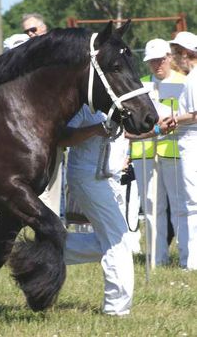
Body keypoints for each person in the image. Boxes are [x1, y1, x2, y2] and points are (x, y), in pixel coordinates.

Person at [61, 104, 135, 315]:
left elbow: (124, 133)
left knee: (109, 240)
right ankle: (116, 310)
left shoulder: (116, 104)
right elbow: (63, 138)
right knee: (118, 239)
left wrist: (158, 130)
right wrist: (95, 129)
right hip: (87, 178)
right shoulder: (84, 107)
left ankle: (48, 250)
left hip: (106, 179)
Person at [126, 38, 187, 266]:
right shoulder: (139, 85)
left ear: (169, 57)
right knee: (152, 208)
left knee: (180, 208)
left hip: (175, 152)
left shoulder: (185, 81)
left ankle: (186, 258)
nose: (157, 65)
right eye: (152, 61)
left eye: (160, 59)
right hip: (145, 153)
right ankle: (156, 259)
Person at [22, 13, 62, 217]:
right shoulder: (26, 58)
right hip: (29, 136)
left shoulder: (60, 55)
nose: (30, 34)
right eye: (26, 31)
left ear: (44, 28)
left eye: (33, 29)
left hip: (56, 133)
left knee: (52, 192)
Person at [169, 31, 197, 270]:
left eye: (176, 52)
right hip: (188, 139)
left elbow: (196, 114)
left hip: (192, 140)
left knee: (192, 202)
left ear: (186, 52)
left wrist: (174, 119)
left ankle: (192, 261)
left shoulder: (194, 79)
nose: (174, 57)